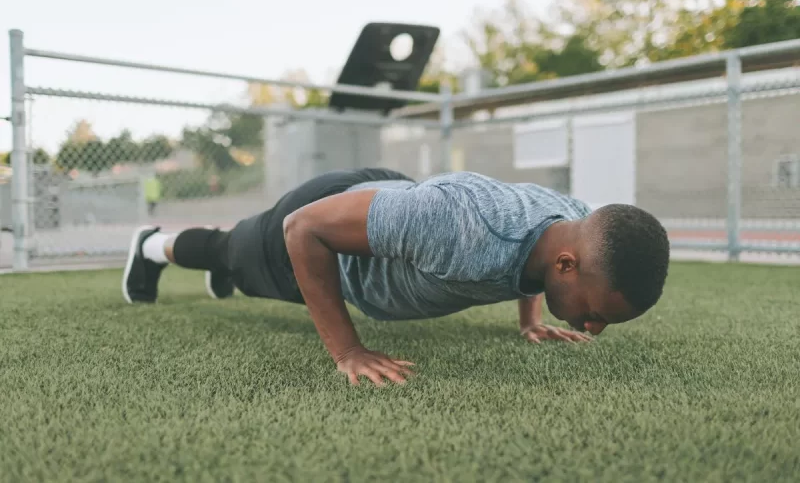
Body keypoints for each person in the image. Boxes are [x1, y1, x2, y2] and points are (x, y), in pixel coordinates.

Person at [122, 168, 670, 386]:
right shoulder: (459, 228)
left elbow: (534, 253)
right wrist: (348, 351)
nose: (593, 328)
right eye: (595, 313)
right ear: (568, 267)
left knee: (237, 256)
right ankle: (151, 245)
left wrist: (530, 319)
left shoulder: (570, 223)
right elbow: (303, 229)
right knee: (233, 250)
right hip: (324, 222)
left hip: (394, 206)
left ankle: (229, 260)